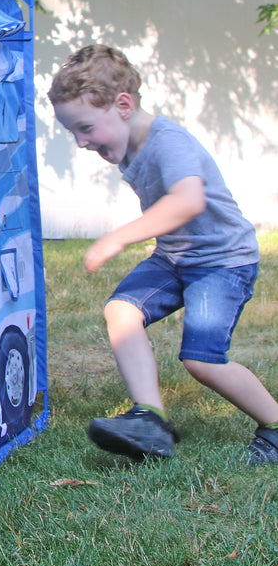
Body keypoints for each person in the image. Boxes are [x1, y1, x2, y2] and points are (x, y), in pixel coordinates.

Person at [47, 44, 278, 465]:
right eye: (73, 133)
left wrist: (119, 238)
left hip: (222, 262)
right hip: (176, 257)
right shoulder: (124, 143)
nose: (80, 142)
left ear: (122, 105)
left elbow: (188, 201)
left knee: (202, 362)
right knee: (121, 310)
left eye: (84, 128)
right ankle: (149, 420)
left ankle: (275, 424)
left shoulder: (168, 141)